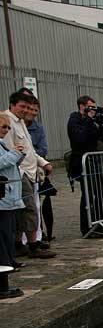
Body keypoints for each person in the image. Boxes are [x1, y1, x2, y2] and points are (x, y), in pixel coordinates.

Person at [1, 91, 55, 259]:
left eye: (29, 107)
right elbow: (10, 151)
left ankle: (21, 243)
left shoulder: (22, 122)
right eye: (23, 107)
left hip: (29, 171)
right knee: (28, 209)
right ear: (13, 105)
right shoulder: (7, 121)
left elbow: (29, 149)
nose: (26, 110)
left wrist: (42, 163)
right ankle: (32, 244)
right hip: (19, 172)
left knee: (25, 209)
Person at [67, 95, 101, 236]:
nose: (93, 110)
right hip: (81, 162)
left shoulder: (91, 121)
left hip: (94, 161)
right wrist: (88, 120)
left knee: (97, 194)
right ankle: (86, 226)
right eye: (90, 107)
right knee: (87, 195)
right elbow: (79, 138)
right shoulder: (75, 119)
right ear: (82, 106)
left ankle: (96, 222)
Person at [0, 114, 26, 292]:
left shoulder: (2, 144)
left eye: (8, 127)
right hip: (3, 201)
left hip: (9, 199)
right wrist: (14, 153)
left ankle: (8, 265)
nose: (7, 130)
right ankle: (3, 285)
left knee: (7, 236)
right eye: (4, 127)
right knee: (3, 239)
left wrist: (18, 155)